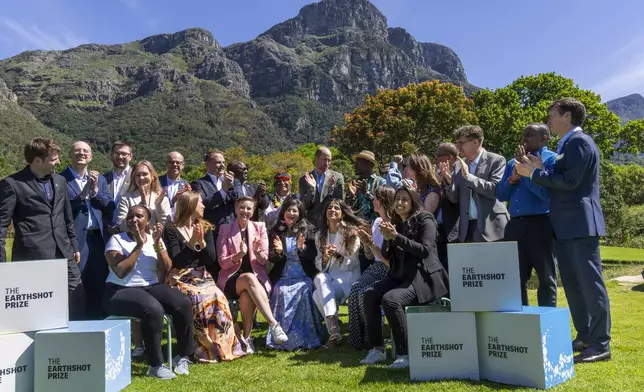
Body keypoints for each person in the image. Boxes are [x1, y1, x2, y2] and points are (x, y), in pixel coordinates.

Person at [515, 98, 611, 363]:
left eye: (552, 115)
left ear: (567, 116)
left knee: (591, 286)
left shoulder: (579, 142)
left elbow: (570, 182)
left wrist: (533, 175)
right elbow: (558, 179)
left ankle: (601, 343)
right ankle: (584, 337)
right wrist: (537, 168)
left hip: (580, 224)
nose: (549, 121)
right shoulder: (566, 144)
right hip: (565, 227)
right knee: (573, 285)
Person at [361, 186, 449, 368]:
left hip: (423, 278)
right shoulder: (395, 223)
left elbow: (424, 250)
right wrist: (383, 239)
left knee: (391, 300)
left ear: (412, 201)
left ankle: (405, 353)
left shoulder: (426, 219)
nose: (399, 203)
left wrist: (396, 236)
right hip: (400, 275)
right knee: (370, 293)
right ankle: (377, 349)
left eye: (404, 199)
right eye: (397, 199)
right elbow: (387, 256)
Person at [104, 205, 193, 379]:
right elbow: (121, 271)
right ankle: (155, 365)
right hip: (120, 290)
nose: (133, 220)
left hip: (150, 286)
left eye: (138, 216)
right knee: (153, 309)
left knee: (182, 302)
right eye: (130, 216)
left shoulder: (155, 239)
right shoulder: (116, 239)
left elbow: (166, 268)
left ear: (148, 221)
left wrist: (158, 245)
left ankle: (182, 356)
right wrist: (139, 246)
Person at [0, 138, 85, 320]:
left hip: (64, 252)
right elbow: (1, 225)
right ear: (37, 160)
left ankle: (75, 339)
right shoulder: (12, 184)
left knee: (76, 296)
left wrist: (74, 245)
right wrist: (3, 264)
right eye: (54, 159)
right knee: (40, 305)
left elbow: (66, 216)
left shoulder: (60, 181)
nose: (59, 162)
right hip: (33, 255)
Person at [164, 191, 245, 363]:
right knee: (195, 297)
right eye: (200, 202)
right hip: (180, 277)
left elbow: (210, 259)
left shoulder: (205, 226)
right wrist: (192, 243)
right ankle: (204, 346)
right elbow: (178, 260)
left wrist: (202, 243)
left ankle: (224, 345)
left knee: (217, 296)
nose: (203, 206)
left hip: (201, 275)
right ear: (191, 205)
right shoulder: (171, 229)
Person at [496, 123, 558, 308]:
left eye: (530, 135)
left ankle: (547, 320)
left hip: (540, 224)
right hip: (515, 225)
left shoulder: (551, 160)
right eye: (523, 135)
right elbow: (501, 195)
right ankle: (520, 318)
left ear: (544, 138)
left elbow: (546, 196)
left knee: (546, 277)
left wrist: (528, 173)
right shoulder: (511, 163)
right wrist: (513, 180)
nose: (525, 139)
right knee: (515, 277)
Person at [216, 196, 288, 353]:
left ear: (253, 211)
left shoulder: (260, 227)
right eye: (242, 207)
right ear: (235, 209)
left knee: (247, 295)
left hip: (256, 280)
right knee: (248, 278)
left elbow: (263, 261)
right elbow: (222, 262)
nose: (245, 211)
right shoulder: (225, 229)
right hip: (231, 279)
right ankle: (273, 324)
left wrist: (257, 252)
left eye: (249, 208)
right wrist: (238, 255)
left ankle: (247, 339)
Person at [61, 141, 113, 319]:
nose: (81, 153)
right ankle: (76, 323)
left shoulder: (100, 179)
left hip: (98, 240)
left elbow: (109, 207)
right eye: (77, 150)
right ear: (70, 154)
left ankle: (96, 323)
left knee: (98, 283)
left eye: (85, 151)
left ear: (91, 156)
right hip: (75, 240)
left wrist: (96, 190)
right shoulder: (60, 179)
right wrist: (82, 194)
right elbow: (61, 208)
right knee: (77, 284)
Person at [267, 199, 322, 350]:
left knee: (305, 291)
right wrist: (277, 252)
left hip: (304, 273)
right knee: (280, 291)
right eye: (289, 210)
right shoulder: (276, 230)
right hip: (283, 274)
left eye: (295, 211)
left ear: (300, 214)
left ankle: (305, 337)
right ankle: (282, 336)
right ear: (283, 212)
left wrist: (302, 248)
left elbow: (313, 254)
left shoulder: (308, 230)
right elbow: (272, 257)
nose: (291, 214)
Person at [442, 125, 509, 243]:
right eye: (456, 143)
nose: (457, 147)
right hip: (467, 228)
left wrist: (469, 177)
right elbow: (455, 199)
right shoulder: (459, 165)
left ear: (476, 142)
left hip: (493, 227)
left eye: (461, 143)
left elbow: (495, 190)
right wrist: (449, 182)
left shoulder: (496, 160)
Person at [349, 185, 395, 349]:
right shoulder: (376, 222)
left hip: (389, 269)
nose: (373, 201)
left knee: (364, 293)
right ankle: (358, 340)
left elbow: (386, 258)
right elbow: (370, 257)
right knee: (355, 289)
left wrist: (370, 243)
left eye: (376, 198)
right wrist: (365, 242)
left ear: (383, 201)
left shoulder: (394, 224)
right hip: (375, 267)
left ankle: (372, 339)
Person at [313, 199, 362, 347]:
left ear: (342, 213)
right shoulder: (320, 235)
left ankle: (333, 332)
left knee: (317, 294)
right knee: (320, 278)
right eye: (330, 208)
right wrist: (326, 256)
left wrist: (337, 255)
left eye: (336, 208)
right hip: (330, 280)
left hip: (348, 278)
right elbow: (319, 263)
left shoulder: (351, 233)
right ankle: (334, 331)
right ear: (325, 212)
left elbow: (352, 264)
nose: (333, 210)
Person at [116, 160, 171, 232]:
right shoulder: (126, 198)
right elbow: (121, 226)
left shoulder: (162, 198)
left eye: (145, 174)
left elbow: (165, 224)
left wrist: (159, 204)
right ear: (134, 178)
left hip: (155, 241)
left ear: (152, 177)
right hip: (133, 241)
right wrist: (142, 203)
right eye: (138, 175)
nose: (141, 178)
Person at [192, 149, 237, 234]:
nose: (222, 165)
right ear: (207, 164)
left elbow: (237, 203)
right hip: (212, 232)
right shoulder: (198, 184)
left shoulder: (229, 181)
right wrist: (223, 191)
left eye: (223, 162)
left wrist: (231, 187)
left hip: (231, 230)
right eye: (218, 162)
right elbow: (204, 204)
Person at [299, 146, 345, 229]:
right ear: (316, 158)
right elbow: (303, 206)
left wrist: (331, 188)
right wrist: (311, 189)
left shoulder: (338, 177)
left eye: (329, 160)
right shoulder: (304, 179)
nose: (327, 163)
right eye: (324, 159)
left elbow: (339, 202)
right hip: (310, 225)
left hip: (330, 225)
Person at [434, 143, 461, 272]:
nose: (435, 159)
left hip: (453, 229)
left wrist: (449, 181)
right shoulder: (436, 174)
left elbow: (455, 199)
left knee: (452, 268)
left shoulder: (461, 172)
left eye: (438, 156)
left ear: (449, 158)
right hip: (437, 228)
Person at [346, 150, 386, 223]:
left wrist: (366, 193)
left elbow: (383, 206)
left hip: (374, 227)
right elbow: (348, 208)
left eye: (358, 163)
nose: (355, 165)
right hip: (357, 227)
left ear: (369, 164)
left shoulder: (380, 182)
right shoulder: (354, 183)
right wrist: (352, 196)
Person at [103, 141, 133, 233]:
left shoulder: (137, 177)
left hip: (129, 230)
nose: (120, 157)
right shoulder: (103, 178)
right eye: (117, 153)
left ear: (130, 156)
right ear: (112, 155)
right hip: (106, 232)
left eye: (124, 154)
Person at [159, 151, 191, 219]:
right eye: (171, 162)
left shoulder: (186, 185)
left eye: (178, 162)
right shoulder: (157, 182)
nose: (175, 164)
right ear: (166, 164)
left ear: (182, 165)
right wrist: (173, 200)